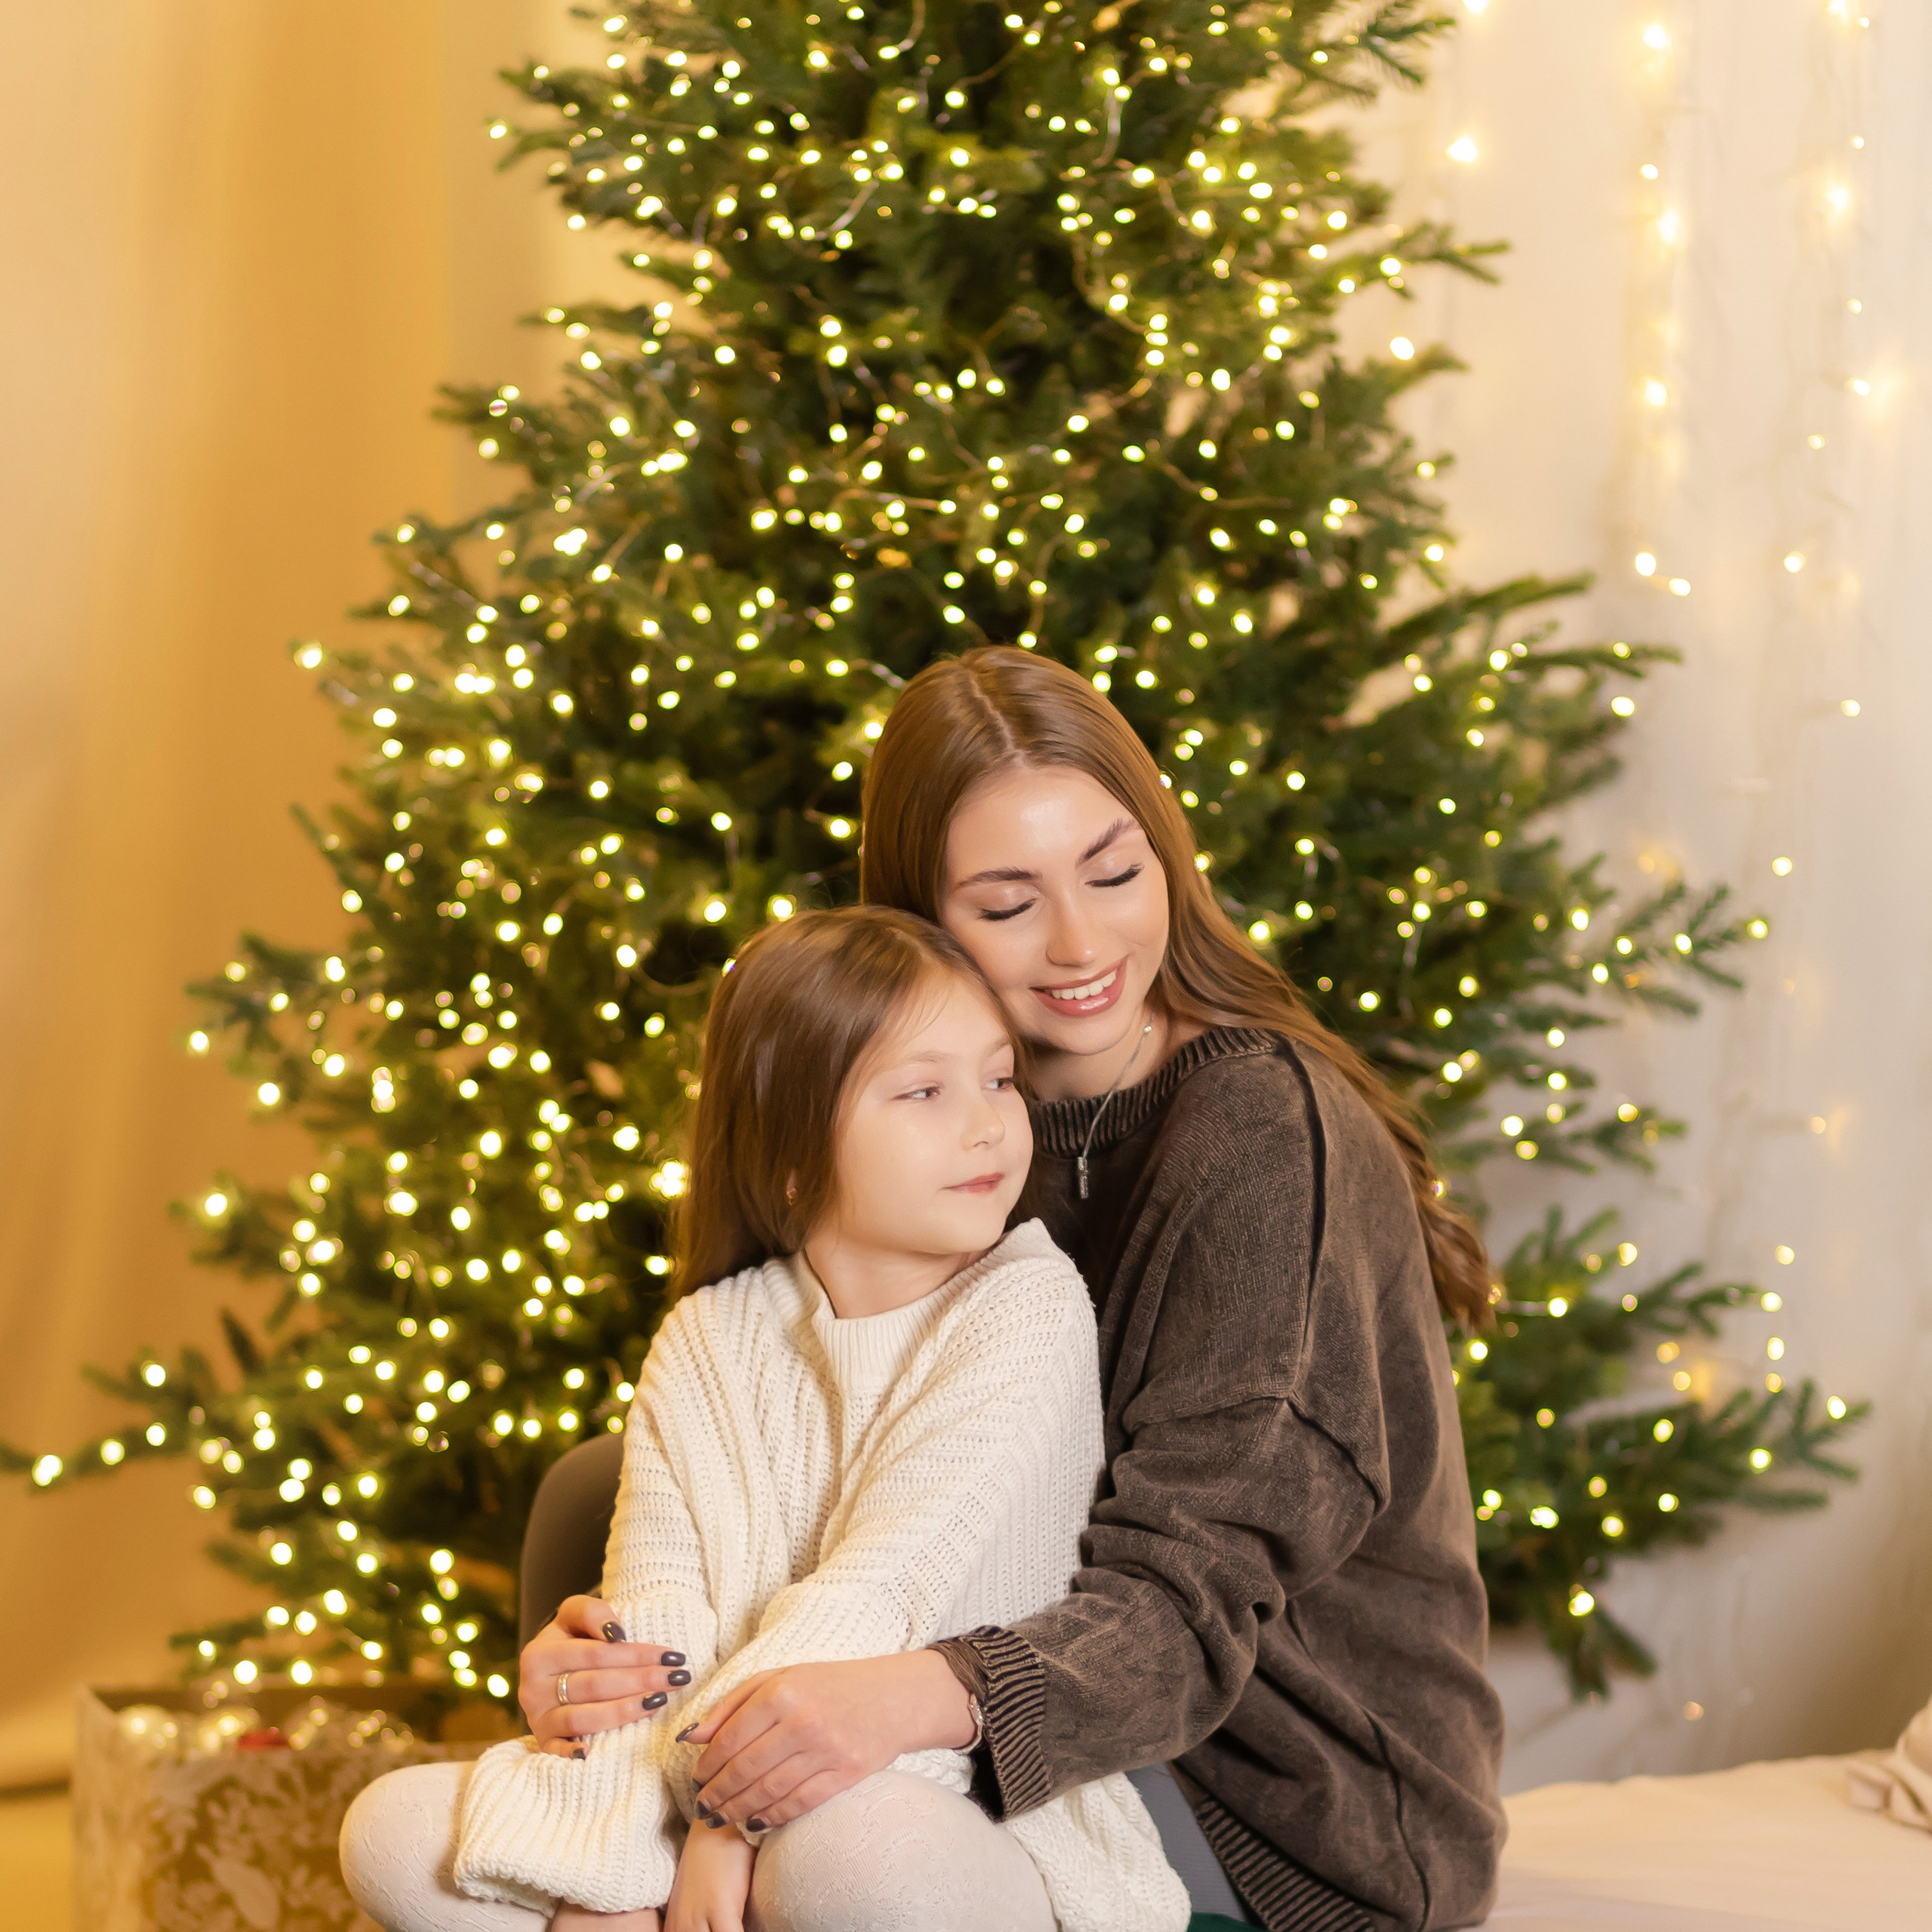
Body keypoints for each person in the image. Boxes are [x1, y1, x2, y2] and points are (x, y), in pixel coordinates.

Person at [514, 647, 1506, 1932]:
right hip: (981, 1639)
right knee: (596, 1489)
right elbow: (787, 1427)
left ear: (1166, 857)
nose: (1083, 943)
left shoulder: (1263, 1133)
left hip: (1266, 1785)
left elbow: (1188, 1596)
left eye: (1114, 870)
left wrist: (862, 1720)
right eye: (1006, 902)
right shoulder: (954, 1111)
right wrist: (616, 1684)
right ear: (923, 924)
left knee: (840, 1841)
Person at [339, 905, 1190, 1932]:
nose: (986, 1122)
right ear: (791, 1154)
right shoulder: (709, 1334)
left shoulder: (1027, 1305)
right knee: (390, 1834)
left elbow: (879, 1595)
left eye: (998, 1077)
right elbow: (655, 1628)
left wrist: (721, 1827)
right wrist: (606, 1885)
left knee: (847, 1859)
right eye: (924, 1090)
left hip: (950, 1804)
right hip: (698, 1767)